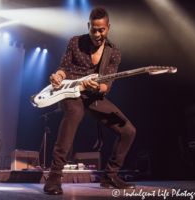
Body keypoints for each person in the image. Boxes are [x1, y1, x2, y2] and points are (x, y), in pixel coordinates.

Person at [44, 7, 136, 195]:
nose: (97, 34)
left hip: (93, 96)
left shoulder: (114, 53)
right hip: (70, 94)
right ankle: (54, 175)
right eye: (93, 29)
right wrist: (58, 77)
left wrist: (97, 87)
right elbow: (64, 68)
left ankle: (110, 176)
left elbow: (107, 86)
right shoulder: (75, 42)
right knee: (75, 112)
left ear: (108, 27)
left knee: (128, 131)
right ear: (88, 26)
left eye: (101, 30)